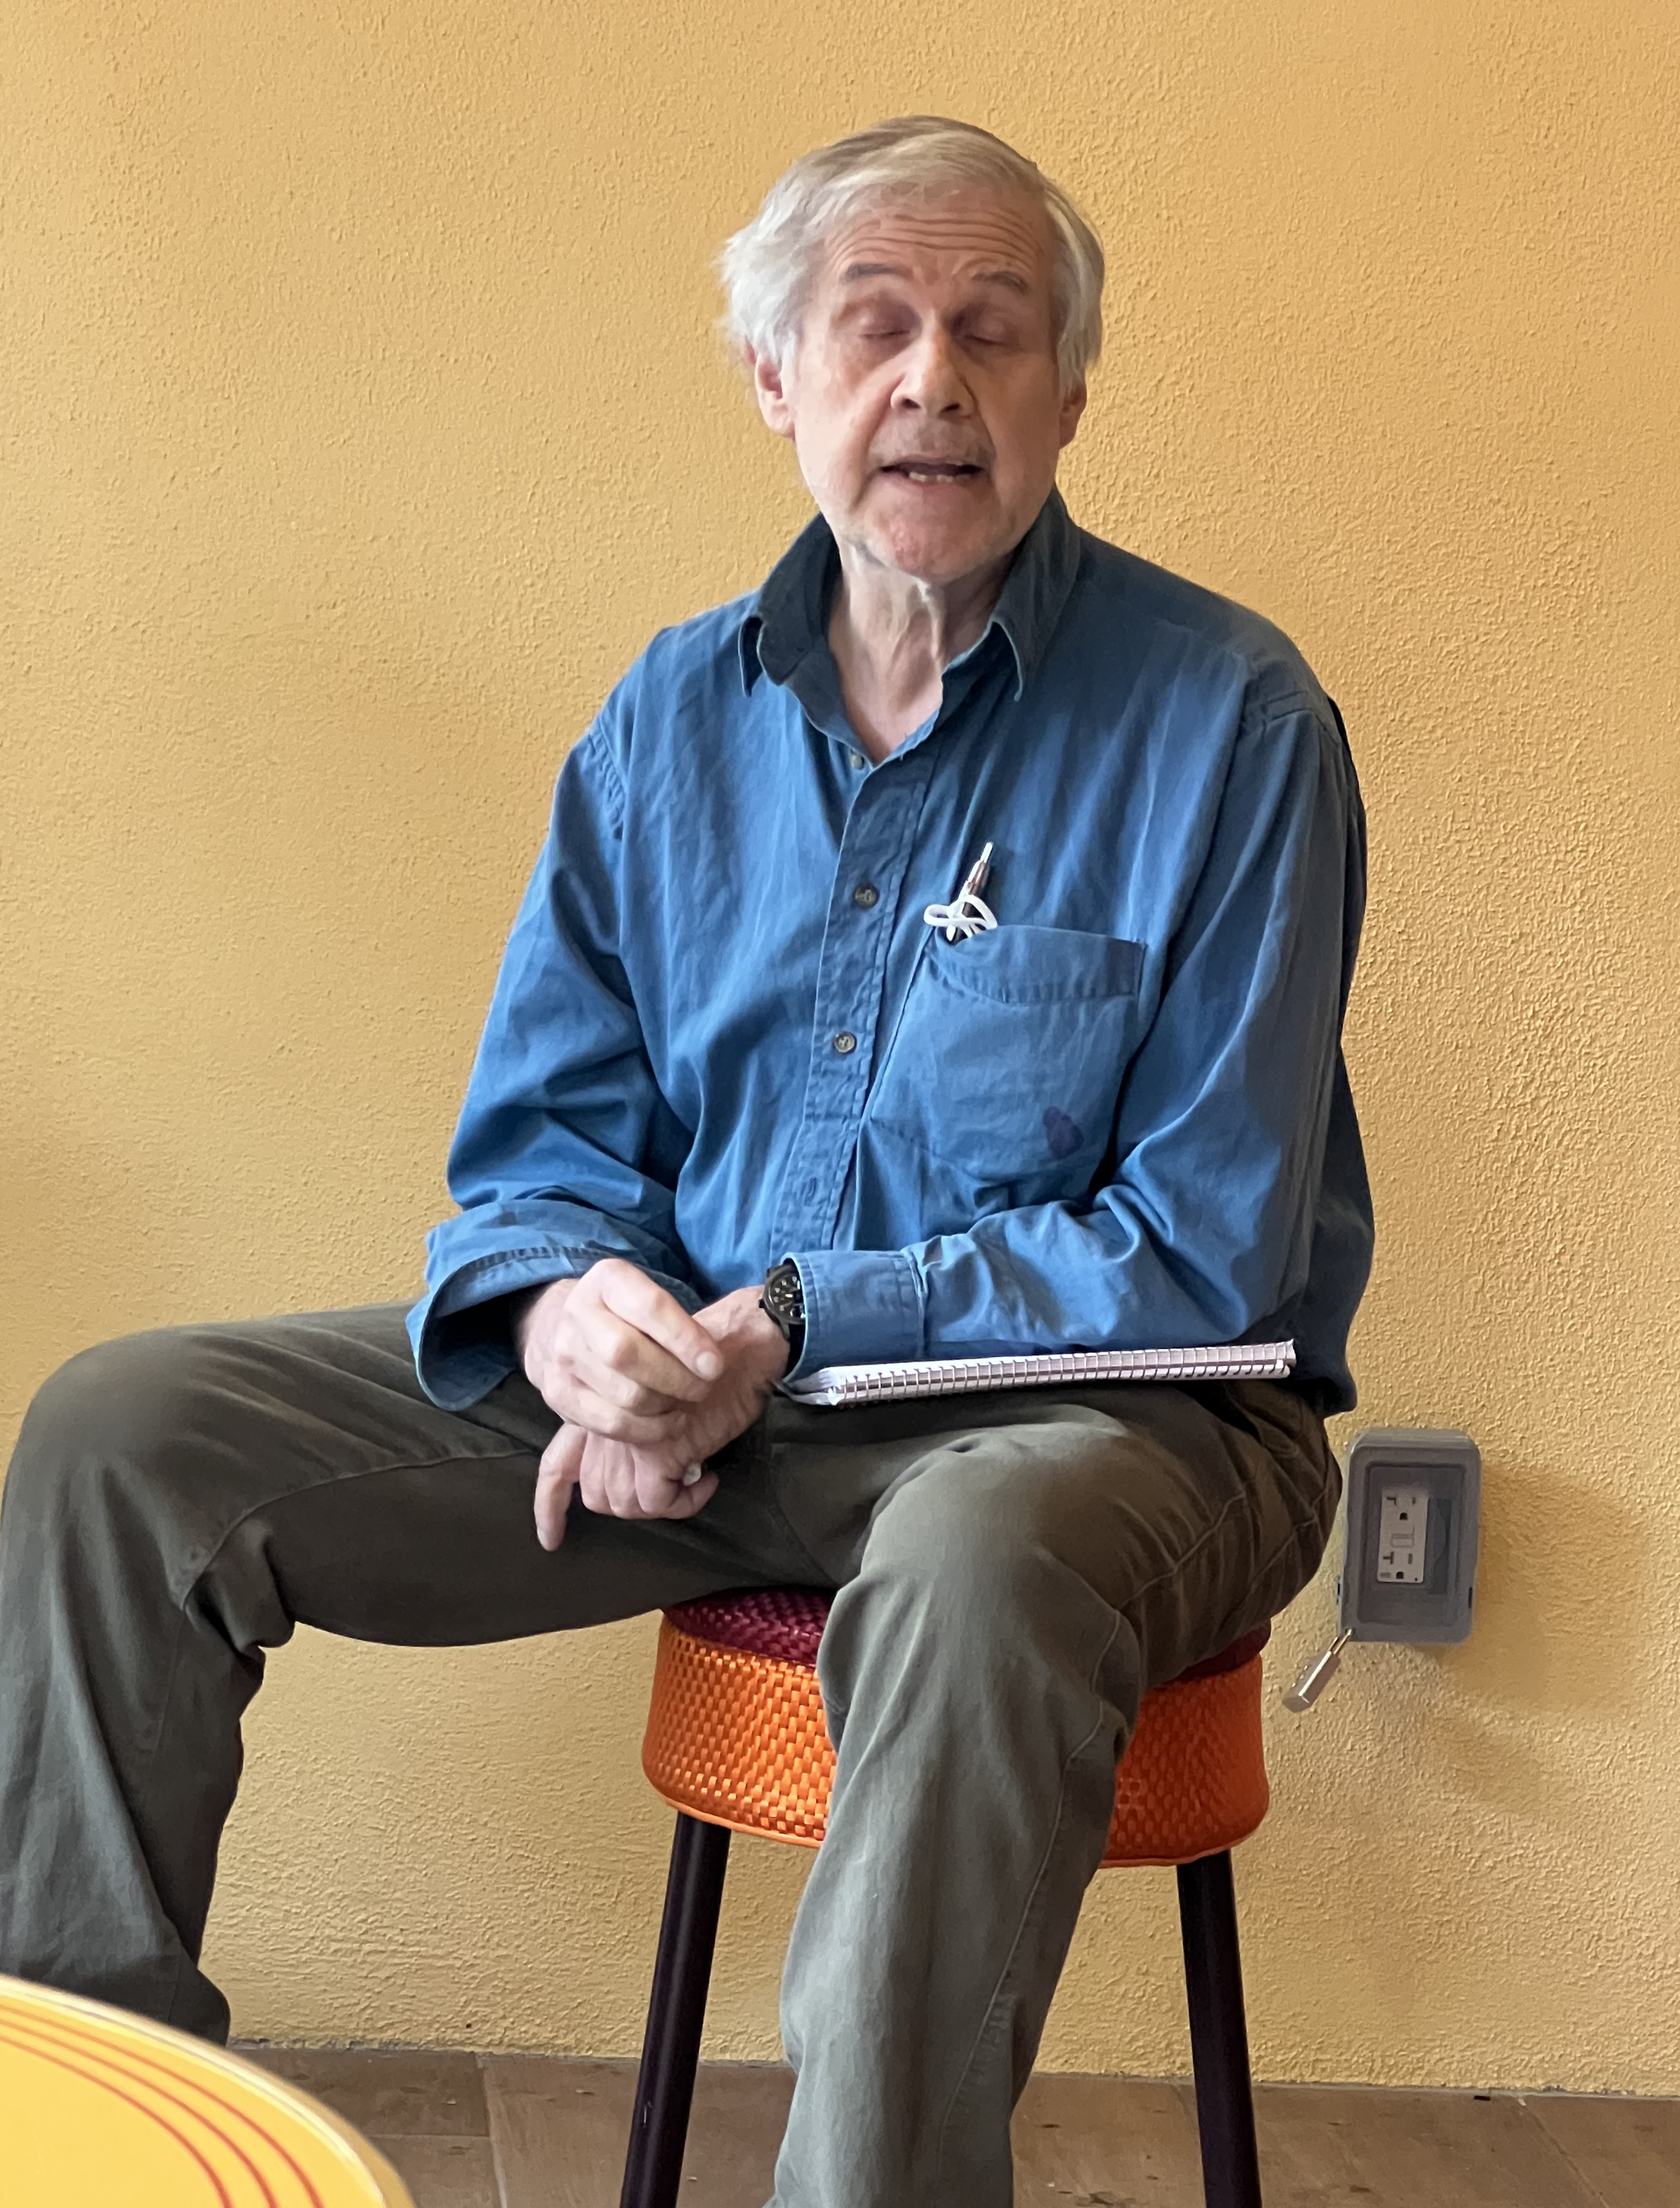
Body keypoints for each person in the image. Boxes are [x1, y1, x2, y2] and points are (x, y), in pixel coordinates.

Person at [0, 117, 1372, 2208]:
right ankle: (80, 2139)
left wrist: (782, 1328)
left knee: (977, 1554)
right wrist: (581, 1323)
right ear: (774, 378)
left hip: (1116, 1426)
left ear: (1070, 394)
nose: (932, 380)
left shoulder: (1235, 722)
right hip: (724, 1406)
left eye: (994, 330)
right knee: (126, 1440)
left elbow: (1202, 1252)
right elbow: (547, 1143)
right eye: (875, 325)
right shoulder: (666, 719)